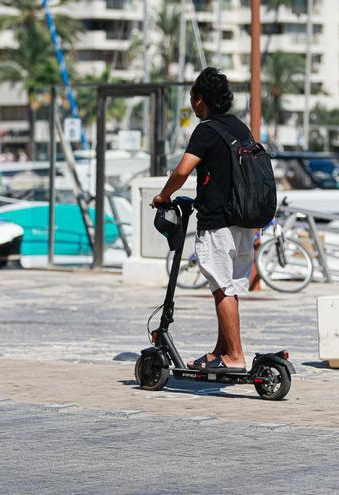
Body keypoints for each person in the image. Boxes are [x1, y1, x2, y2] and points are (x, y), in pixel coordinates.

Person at [151, 67, 252, 372]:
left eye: (193, 99)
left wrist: (162, 197)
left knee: (221, 288)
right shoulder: (239, 127)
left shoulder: (206, 130)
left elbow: (182, 171)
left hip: (218, 222)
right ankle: (221, 351)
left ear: (199, 100)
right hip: (243, 221)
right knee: (229, 287)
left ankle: (234, 355)